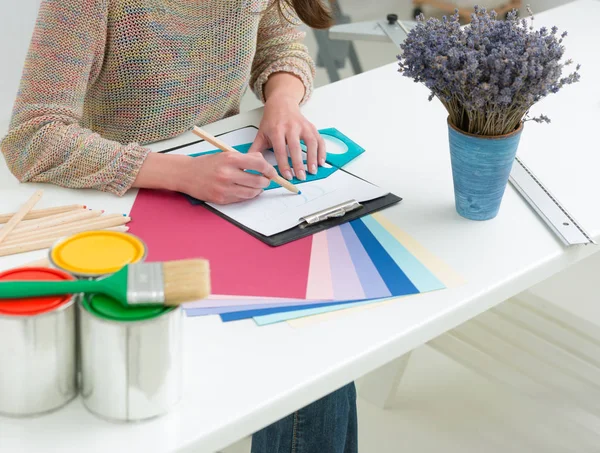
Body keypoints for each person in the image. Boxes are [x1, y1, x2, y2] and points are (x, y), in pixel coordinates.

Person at [0, 0, 358, 451]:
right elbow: (33, 137)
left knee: (323, 348)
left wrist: (283, 101)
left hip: (228, 193)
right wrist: (184, 173)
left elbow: (280, 42)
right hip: (124, 206)